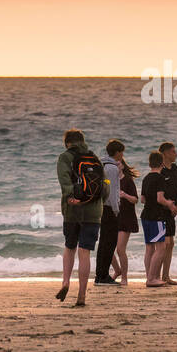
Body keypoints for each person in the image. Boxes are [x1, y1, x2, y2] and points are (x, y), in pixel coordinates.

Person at [55, 128, 108, 306]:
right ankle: (82, 295)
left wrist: (72, 197)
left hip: (72, 211)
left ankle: (65, 282)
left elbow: (64, 180)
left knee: (70, 247)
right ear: (82, 141)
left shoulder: (65, 157)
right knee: (84, 252)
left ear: (67, 143)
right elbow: (105, 185)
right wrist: (98, 202)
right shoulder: (95, 158)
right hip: (94, 212)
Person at [140, 150, 174, 288]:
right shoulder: (160, 178)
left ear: (149, 164)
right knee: (161, 247)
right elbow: (160, 198)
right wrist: (169, 204)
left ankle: (150, 276)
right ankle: (152, 278)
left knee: (149, 248)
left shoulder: (146, 178)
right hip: (156, 217)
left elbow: (142, 199)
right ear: (161, 163)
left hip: (145, 216)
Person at [94, 140, 123, 285]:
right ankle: (103, 275)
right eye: (122, 152)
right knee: (110, 242)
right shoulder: (112, 168)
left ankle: (99, 275)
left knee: (103, 242)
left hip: (100, 206)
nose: (122, 155)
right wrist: (116, 209)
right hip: (109, 208)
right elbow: (111, 191)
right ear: (117, 152)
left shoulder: (101, 164)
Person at [112, 146, 140, 286]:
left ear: (122, 165)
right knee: (108, 248)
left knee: (120, 249)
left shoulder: (128, 180)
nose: (116, 167)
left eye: (118, 164)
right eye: (114, 165)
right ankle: (117, 270)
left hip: (126, 218)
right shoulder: (111, 182)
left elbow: (136, 199)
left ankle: (124, 277)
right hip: (113, 217)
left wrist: (125, 195)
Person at [158, 142, 177, 286]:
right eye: (173, 152)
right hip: (162, 209)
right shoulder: (160, 169)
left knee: (171, 243)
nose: (176, 154)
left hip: (172, 209)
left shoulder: (174, 168)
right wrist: (168, 204)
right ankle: (157, 275)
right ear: (165, 153)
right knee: (164, 244)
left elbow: (176, 187)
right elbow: (158, 192)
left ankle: (166, 276)